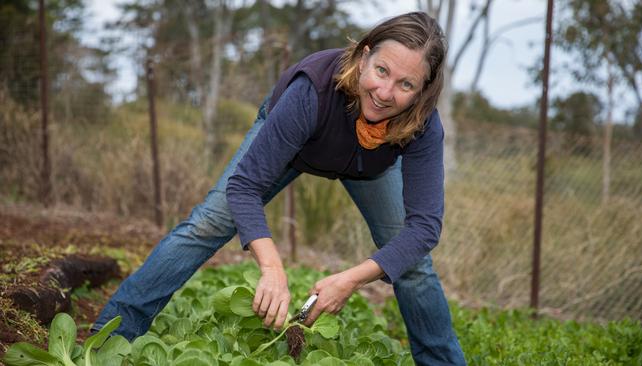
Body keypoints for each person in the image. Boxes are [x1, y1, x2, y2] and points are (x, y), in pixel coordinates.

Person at [92, 11, 466, 365]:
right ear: (365, 56)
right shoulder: (313, 90)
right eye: (381, 71)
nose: (385, 92)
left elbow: (423, 228)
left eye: (406, 85)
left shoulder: (422, 126)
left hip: (369, 168)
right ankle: (108, 339)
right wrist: (271, 266)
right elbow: (245, 187)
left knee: (413, 264)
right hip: (292, 149)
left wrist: (350, 280)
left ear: (423, 91)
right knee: (207, 224)